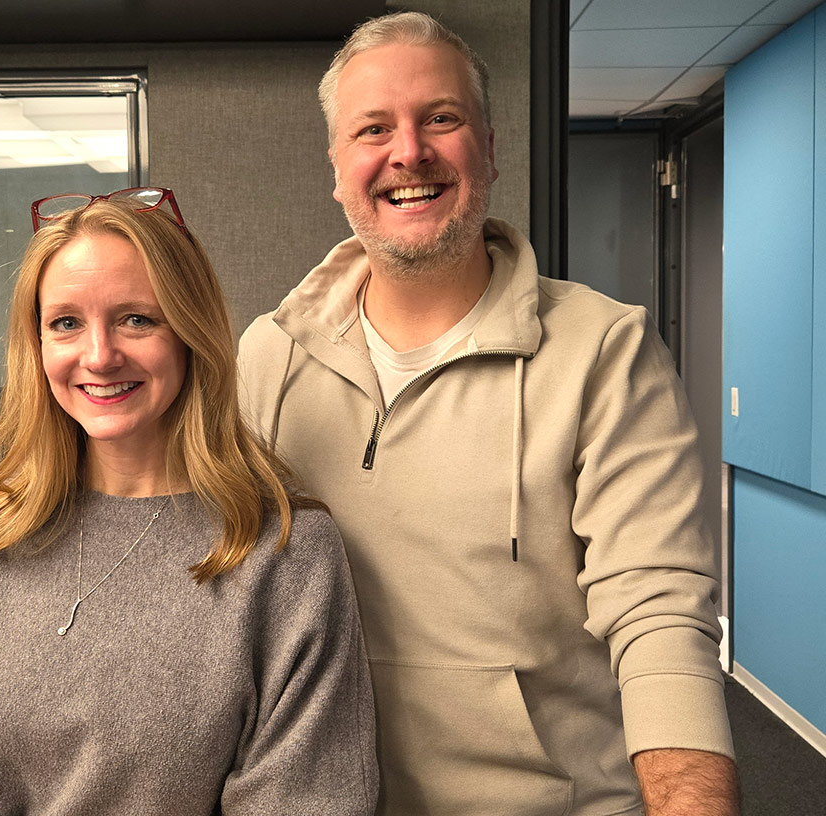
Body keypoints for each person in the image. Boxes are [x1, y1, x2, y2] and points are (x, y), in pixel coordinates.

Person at [237, 12, 738, 816]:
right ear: (336, 168)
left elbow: (659, 615)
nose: (409, 152)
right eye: (374, 129)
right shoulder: (270, 356)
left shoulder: (603, 351)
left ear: (491, 148)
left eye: (441, 118)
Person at [0, 188, 378, 815]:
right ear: (36, 346)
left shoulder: (285, 549)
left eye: (136, 319)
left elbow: (309, 801)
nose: (99, 355)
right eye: (66, 322)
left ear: (190, 335)